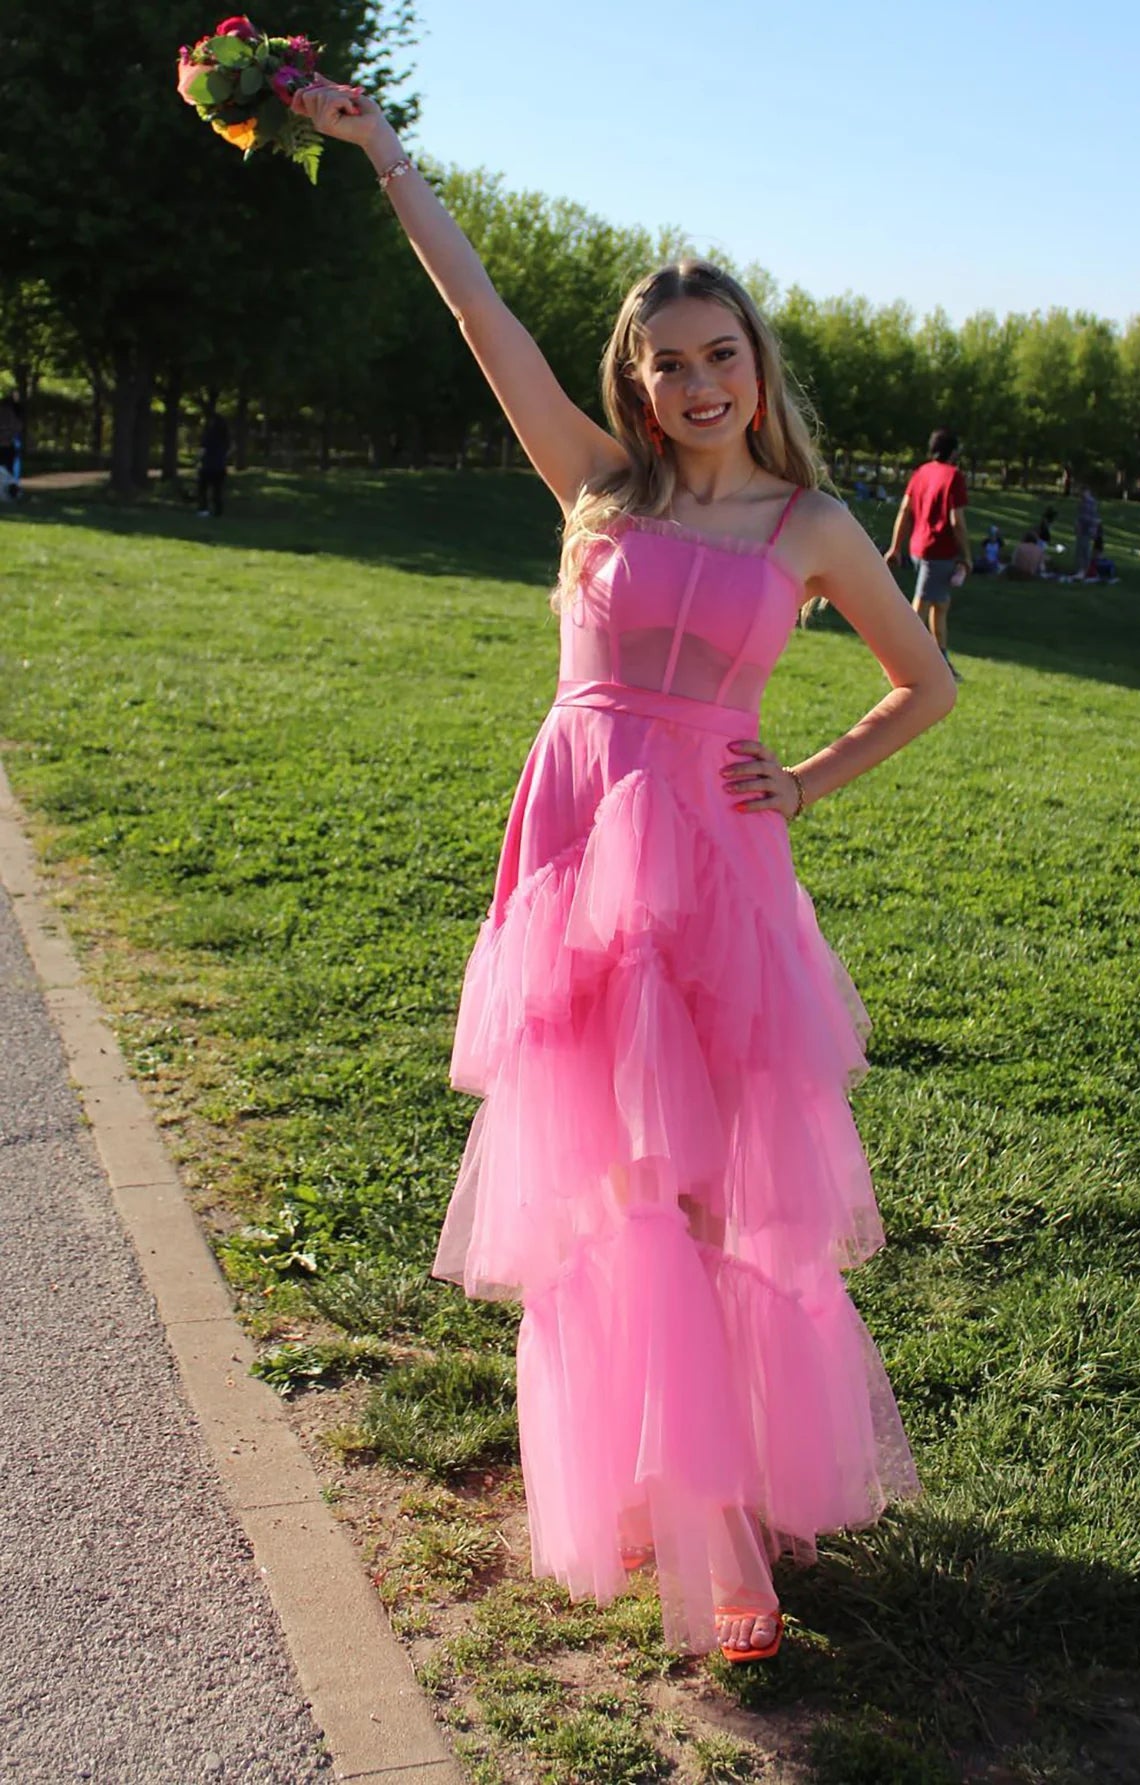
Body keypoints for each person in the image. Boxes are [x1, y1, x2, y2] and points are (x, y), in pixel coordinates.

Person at [293, 78, 953, 1666]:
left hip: (719, 874)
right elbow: (477, 312)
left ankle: (731, 1479)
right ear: (634, 382)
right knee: (616, 1192)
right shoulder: (597, 487)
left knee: (725, 1201)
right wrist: (387, 156)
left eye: (722, 354)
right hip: (581, 858)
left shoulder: (812, 524)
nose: (697, 381)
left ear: (757, 366)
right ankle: (700, 1529)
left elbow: (924, 684)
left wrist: (802, 775)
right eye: (667, 362)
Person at [884, 428, 971, 679]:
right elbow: (957, 521)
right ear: (953, 451)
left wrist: (895, 546)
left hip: (918, 548)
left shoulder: (921, 472)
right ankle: (897, 661)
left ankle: (941, 661)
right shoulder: (953, 476)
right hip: (939, 550)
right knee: (921, 605)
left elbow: (904, 511)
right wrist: (966, 555)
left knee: (940, 604)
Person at [196, 410, 231, 517]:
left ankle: (204, 510)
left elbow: (203, 450)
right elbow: (229, 450)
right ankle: (218, 511)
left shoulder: (209, 434)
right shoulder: (225, 436)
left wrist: (198, 460)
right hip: (220, 466)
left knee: (203, 489)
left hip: (208, 466)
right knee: (218, 491)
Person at [1074, 485, 1099, 579]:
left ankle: (1083, 570)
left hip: (1086, 529)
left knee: (1084, 549)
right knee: (1081, 549)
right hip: (1083, 529)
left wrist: (1093, 529)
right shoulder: (1083, 502)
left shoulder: (1089, 503)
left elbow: (1091, 517)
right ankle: (1081, 569)